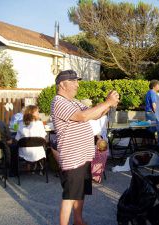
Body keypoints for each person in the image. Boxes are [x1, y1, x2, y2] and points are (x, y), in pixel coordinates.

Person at [51, 69, 119, 225]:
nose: (77, 85)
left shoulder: (73, 102)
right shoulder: (58, 101)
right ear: (62, 84)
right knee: (70, 196)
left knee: (80, 192)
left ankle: (78, 220)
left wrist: (109, 104)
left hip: (83, 156)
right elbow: (82, 117)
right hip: (73, 157)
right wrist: (107, 102)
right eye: (74, 81)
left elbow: (93, 114)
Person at [15, 105, 47, 172]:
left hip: (24, 152)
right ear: (31, 113)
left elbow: (17, 139)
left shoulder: (21, 124)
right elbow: (43, 138)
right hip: (38, 152)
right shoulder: (40, 124)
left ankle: (14, 171)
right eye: (37, 112)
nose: (38, 113)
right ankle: (39, 166)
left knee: (12, 147)